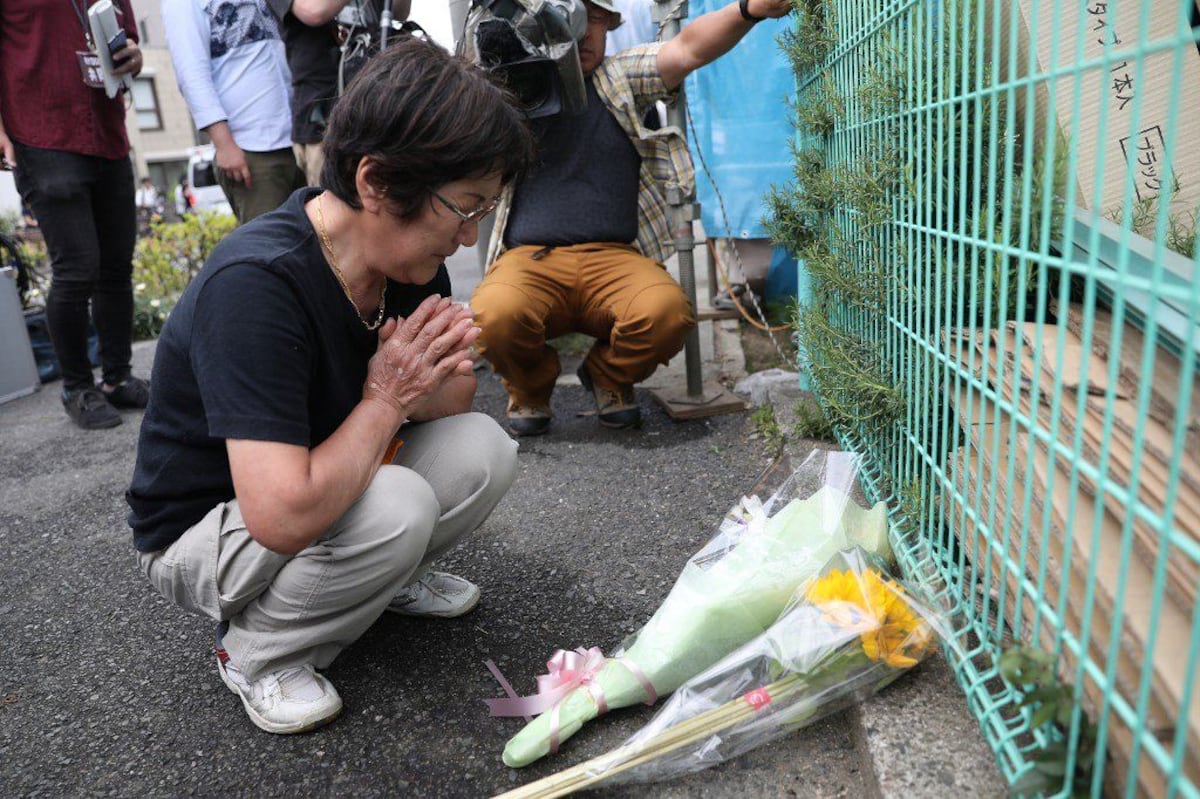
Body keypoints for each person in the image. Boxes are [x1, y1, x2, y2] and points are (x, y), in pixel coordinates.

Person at [127, 37, 534, 735]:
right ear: (375, 181)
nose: (469, 238)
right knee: (400, 502)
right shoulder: (257, 286)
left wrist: (405, 387)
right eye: (464, 207)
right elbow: (279, 513)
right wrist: (384, 396)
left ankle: (381, 579)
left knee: (483, 449)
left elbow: (454, 398)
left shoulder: (407, 265)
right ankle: (255, 652)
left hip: (316, 479)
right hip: (207, 527)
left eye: (484, 210)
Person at [470, 0, 791, 436]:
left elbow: (688, 49)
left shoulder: (618, 76)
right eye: (565, 22)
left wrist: (749, 9)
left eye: (592, 22)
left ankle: (607, 376)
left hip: (615, 256)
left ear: (607, 25)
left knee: (667, 312)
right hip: (531, 258)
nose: (580, 36)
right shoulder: (514, 83)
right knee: (492, 314)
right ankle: (529, 388)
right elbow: (461, 90)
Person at [0, 0, 151, 430]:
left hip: (107, 130)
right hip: (41, 131)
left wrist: (135, 55)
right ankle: (77, 387)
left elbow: (129, 41)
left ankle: (117, 377)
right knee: (77, 267)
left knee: (116, 265)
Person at [162, 0, 306, 224]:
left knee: (321, 244)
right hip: (250, 148)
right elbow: (191, 74)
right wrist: (224, 144)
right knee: (271, 247)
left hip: (301, 136)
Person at [267, 1, 403, 187]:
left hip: (376, 105)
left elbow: (399, 11)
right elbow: (315, 11)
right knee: (334, 198)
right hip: (321, 116)